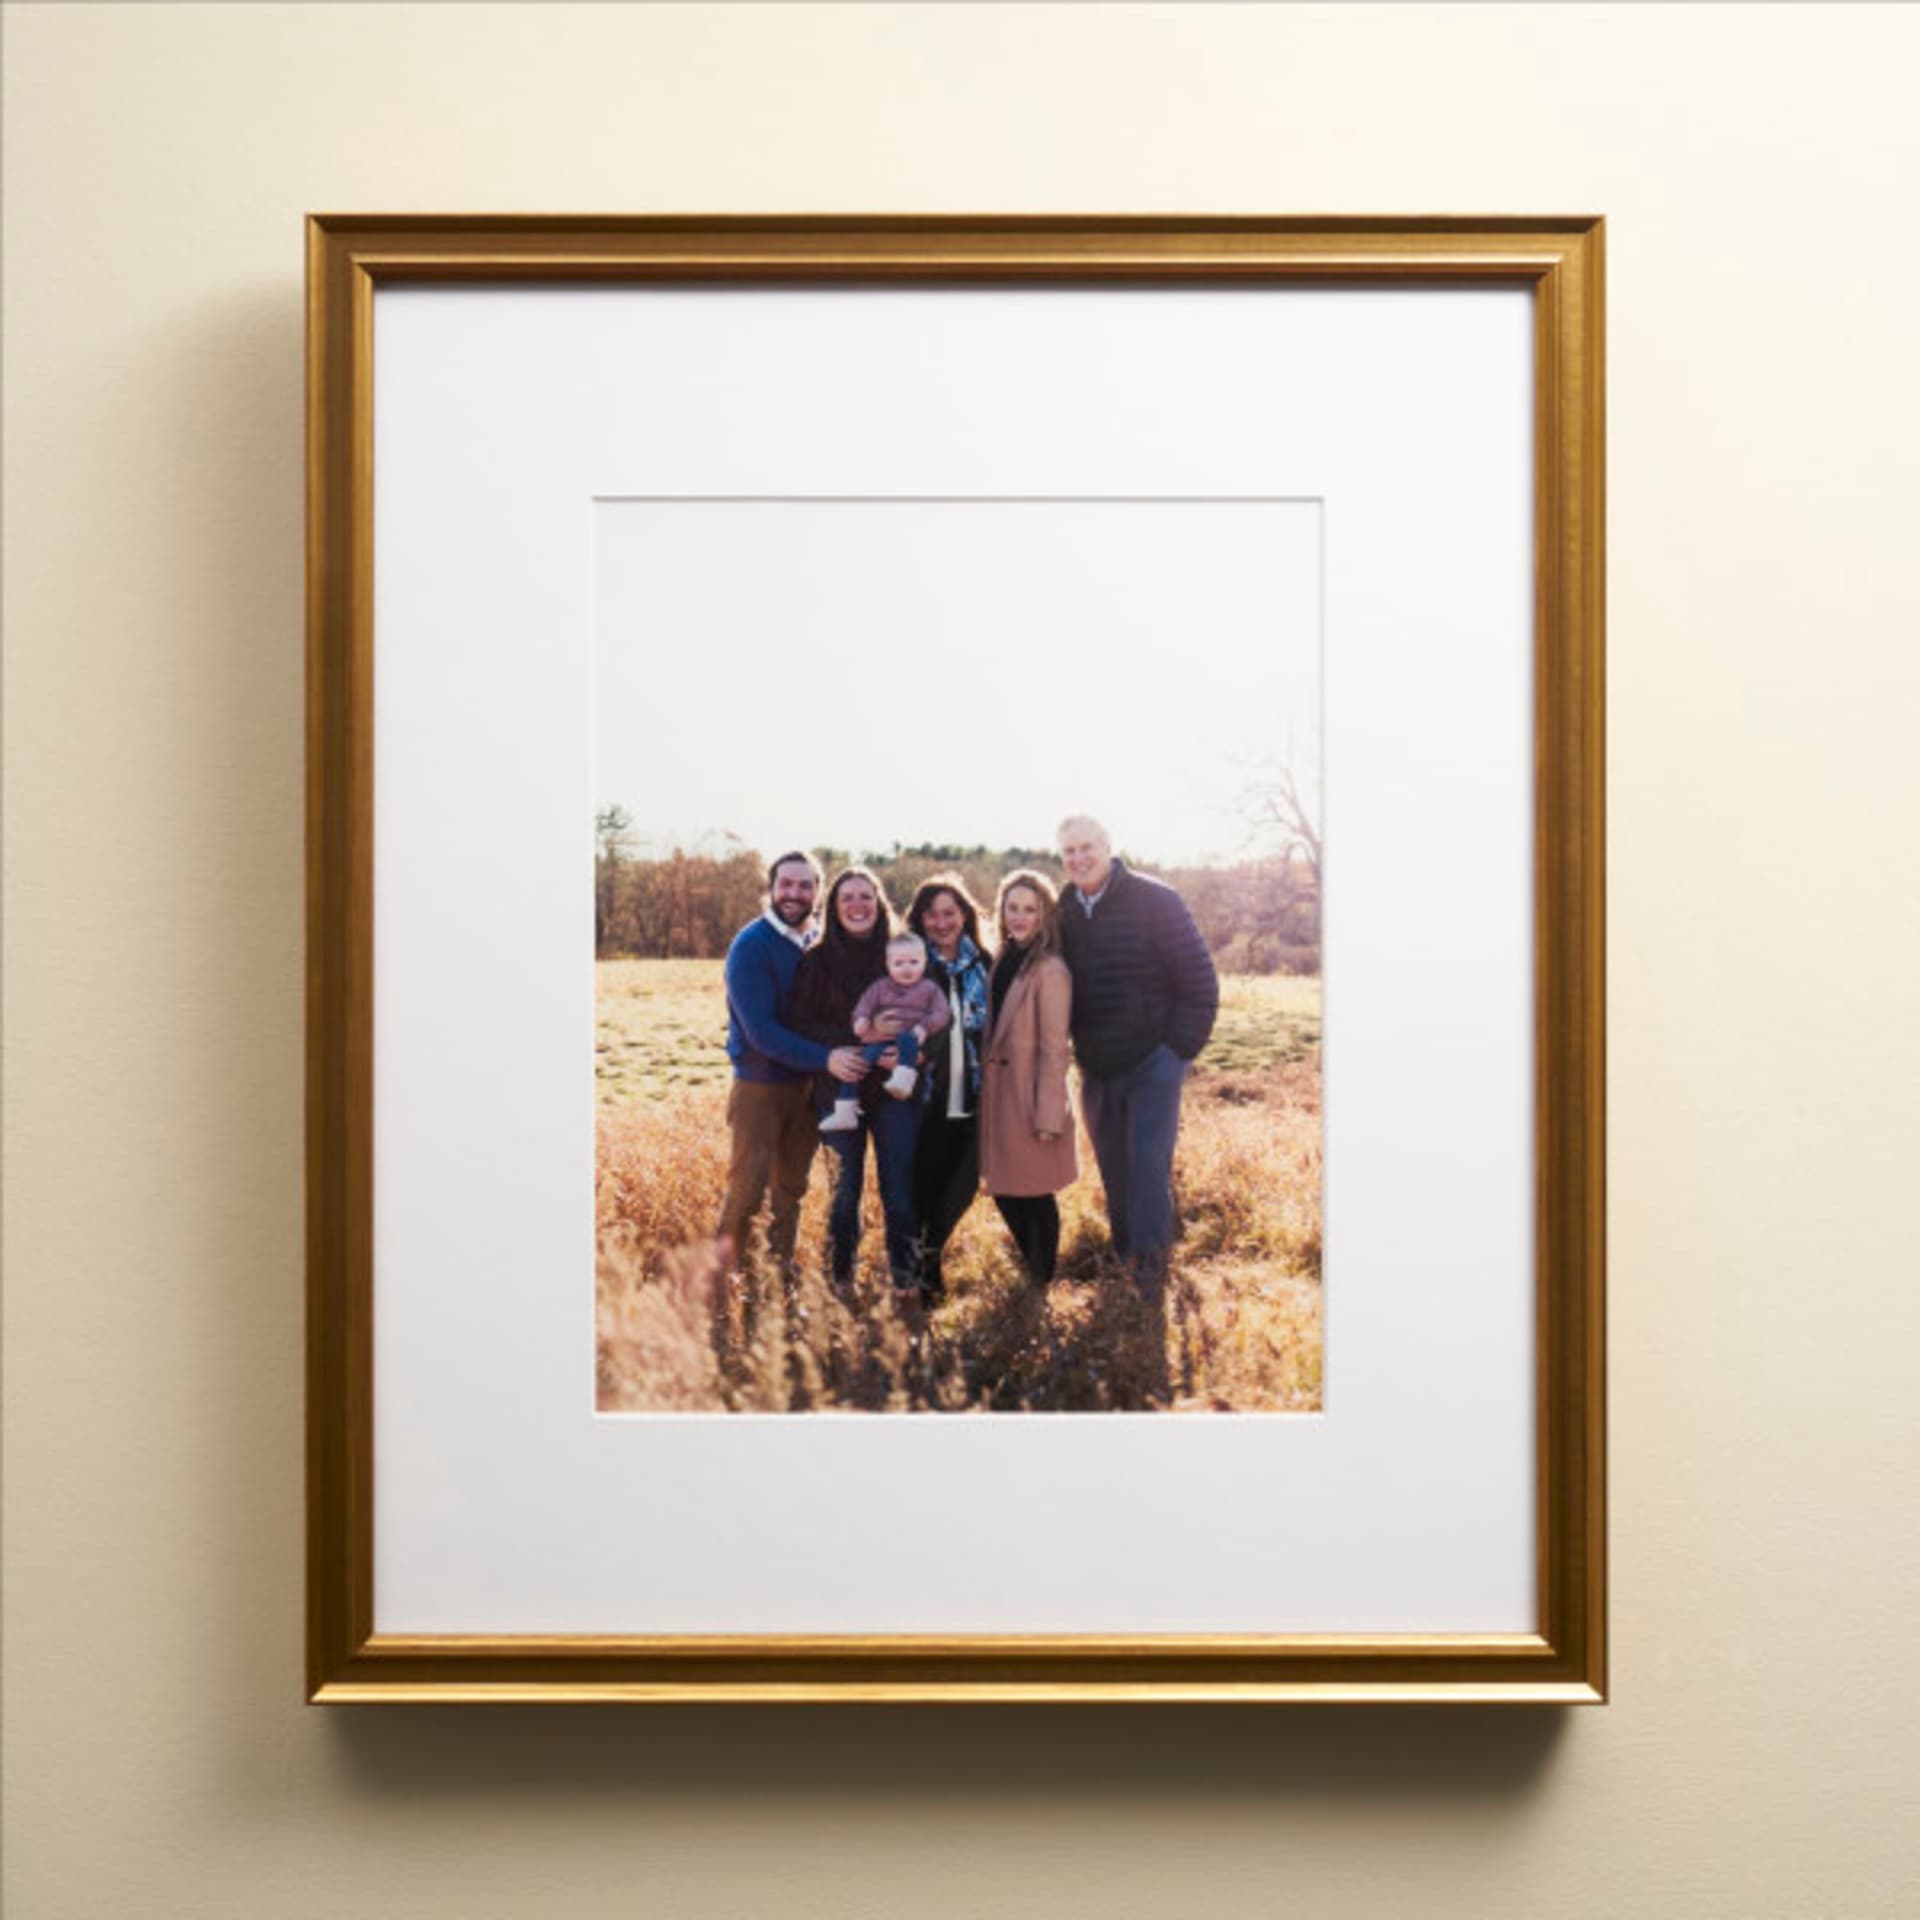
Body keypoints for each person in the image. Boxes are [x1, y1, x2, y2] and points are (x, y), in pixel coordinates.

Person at [1054, 814, 1219, 1279]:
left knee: (1148, 1166)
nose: (1079, 858)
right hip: (1097, 1066)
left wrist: (1176, 1052)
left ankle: (1149, 1276)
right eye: (1069, 851)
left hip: (1153, 1061)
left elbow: (1201, 982)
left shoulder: (1156, 900)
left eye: (1087, 847)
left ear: (1108, 846)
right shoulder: (1062, 909)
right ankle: (1126, 1264)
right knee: (1115, 1169)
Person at [716, 850, 865, 1274]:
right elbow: (761, 1032)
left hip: (809, 1088)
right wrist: (827, 1058)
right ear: (771, 887)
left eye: (804, 885)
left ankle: (775, 1280)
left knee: (790, 1189)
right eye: (786, 884)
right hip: (760, 1087)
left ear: (818, 892)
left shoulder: (818, 942)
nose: (793, 894)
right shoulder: (752, 945)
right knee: (747, 1191)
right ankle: (719, 1288)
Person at [789, 866, 923, 1296]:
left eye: (866, 896)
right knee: (843, 1194)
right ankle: (840, 1280)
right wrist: (844, 1046)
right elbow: (800, 1024)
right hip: (839, 1092)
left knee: (899, 1189)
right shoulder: (815, 961)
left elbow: (928, 1011)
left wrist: (910, 1046)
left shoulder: (901, 954)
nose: (857, 905)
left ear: (879, 904)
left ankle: (906, 1282)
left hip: (893, 1091)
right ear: (833, 907)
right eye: (847, 897)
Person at [979, 869, 1078, 1287]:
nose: (1019, 917)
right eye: (1013, 908)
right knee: (1004, 1187)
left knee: (1035, 1191)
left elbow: (1056, 1049)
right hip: (998, 1094)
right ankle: (1034, 1270)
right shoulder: (1002, 957)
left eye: (1030, 910)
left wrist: (1048, 1115)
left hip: (1029, 1095)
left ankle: (1042, 1281)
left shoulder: (1050, 969)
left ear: (1044, 915)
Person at [904, 874, 993, 1303]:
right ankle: (923, 1271)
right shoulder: (911, 963)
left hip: (974, 1091)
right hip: (927, 1095)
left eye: (949, 913)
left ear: (964, 915)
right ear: (920, 919)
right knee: (924, 1182)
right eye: (932, 915)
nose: (941, 923)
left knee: (964, 1181)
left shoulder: (985, 964)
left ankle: (931, 1248)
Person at [821, 933, 951, 1131]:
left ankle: (904, 1078)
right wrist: (861, 1020)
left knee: (908, 1037)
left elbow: (943, 1013)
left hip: (910, 1040)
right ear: (888, 964)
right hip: (880, 1040)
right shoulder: (880, 987)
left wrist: (925, 1026)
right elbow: (864, 1005)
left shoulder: (929, 988)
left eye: (914, 962)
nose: (907, 968)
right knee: (856, 1064)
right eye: (898, 963)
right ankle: (845, 1109)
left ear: (925, 962)